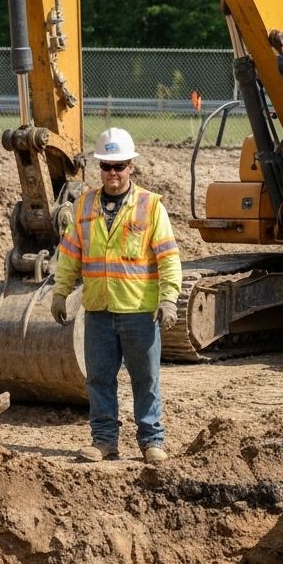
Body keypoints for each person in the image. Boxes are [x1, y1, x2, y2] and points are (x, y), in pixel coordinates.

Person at [50, 127, 181, 464]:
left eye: (119, 166)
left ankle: (151, 441)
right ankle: (104, 441)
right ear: (99, 168)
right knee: (98, 379)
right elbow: (69, 254)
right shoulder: (84, 206)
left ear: (131, 167)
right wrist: (60, 292)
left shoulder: (151, 207)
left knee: (146, 379)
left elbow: (168, 256)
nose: (113, 173)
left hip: (139, 310)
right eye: (106, 166)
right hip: (98, 309)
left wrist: (168, 298)